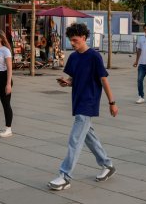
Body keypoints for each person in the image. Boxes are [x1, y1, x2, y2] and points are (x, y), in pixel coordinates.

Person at [48, 23, 117, 191]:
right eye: (71, 40)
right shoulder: (73, 57)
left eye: (75, 40)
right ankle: (107, 164)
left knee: (75, 139)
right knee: (88, 136)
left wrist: (112, 103)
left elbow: (104, 80)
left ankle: (65, 176)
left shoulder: (94, 56)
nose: (73, 43)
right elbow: (75, 79)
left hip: (89, 101)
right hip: (77, 101)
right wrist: (67, 82)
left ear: (84, 38)